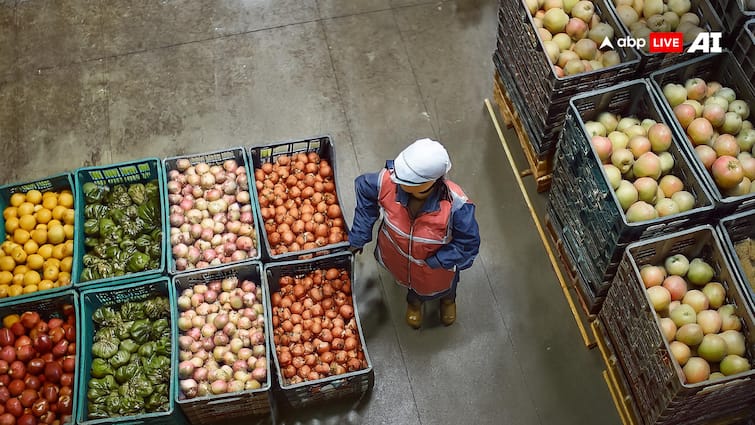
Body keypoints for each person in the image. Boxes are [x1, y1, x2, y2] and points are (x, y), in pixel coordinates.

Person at [349, 138, 481, 329]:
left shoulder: (456, 206)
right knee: (412, 290)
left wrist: (436, 261)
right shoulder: (389, 181)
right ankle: (414, 304)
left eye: (403, 180)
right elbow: (364, 188)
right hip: (398, 258)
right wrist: (360, 234)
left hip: (435, 270)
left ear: (429, 182)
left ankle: (448, 301)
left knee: (445, 287)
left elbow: (468, 245)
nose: (395, 180)